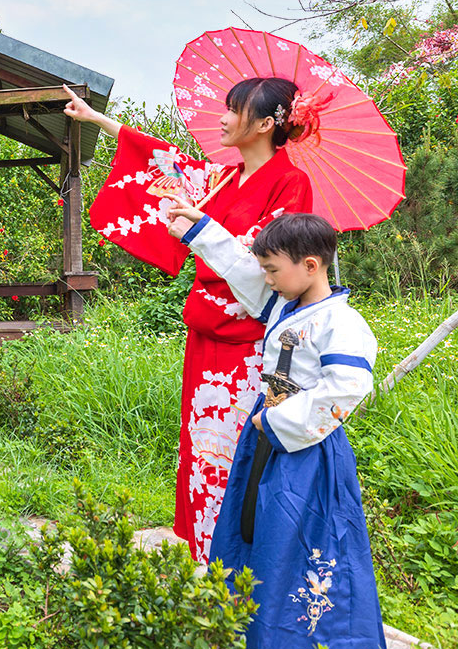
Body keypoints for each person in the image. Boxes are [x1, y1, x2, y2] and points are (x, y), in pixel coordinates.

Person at [63, 79, 314, 561]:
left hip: (251, 340)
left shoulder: (290, 183)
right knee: (203, 449)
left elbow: (271, 269)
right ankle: (209, 556)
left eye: (234, 110)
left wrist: (202, 230)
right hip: (205, 334)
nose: (223, 118)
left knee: (241, 452)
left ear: (266, 124)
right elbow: (165, 160)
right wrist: (96, 119)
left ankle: (245, 560)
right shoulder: (222, 177)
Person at [165, 207, 385, 649]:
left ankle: (305, 643)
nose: (266, 278)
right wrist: (199, 230)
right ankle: (255, 629)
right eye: (265, 269)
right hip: (267, 436)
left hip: (308, 449)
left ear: (311, 265)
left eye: (273, 270)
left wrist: (280, 422)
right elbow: (242, 269)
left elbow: (347, 386)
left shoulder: (342, 323)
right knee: (259, 527)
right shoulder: (286, 305)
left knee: (302, 535)